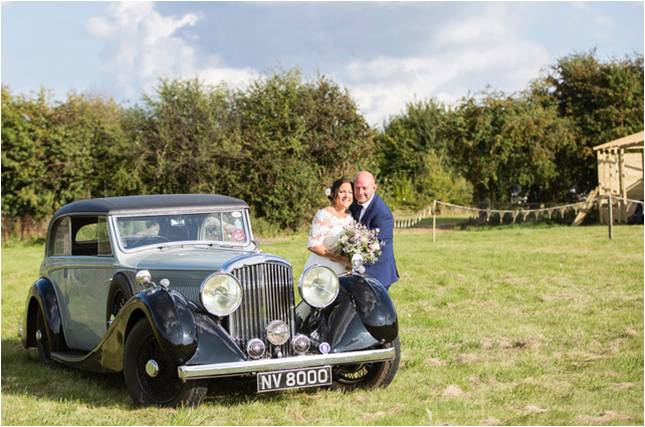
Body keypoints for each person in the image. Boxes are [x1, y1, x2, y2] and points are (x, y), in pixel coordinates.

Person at [349, 171, 399, 290]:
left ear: (374, 188)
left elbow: (376, 246)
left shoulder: (382, 213)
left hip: (377, 274)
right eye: (357, 188)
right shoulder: (353, 204)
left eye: (364, 188)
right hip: (357, 271)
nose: (360, 192)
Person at [304, 178, 355, 275]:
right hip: (324, 270)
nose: (347, 195)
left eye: (350, 192)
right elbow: (313, 245)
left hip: (345, 272)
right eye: (342, 192)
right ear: (333, 194)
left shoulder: (350, 216)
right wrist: (340, 259)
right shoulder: (324, 215)